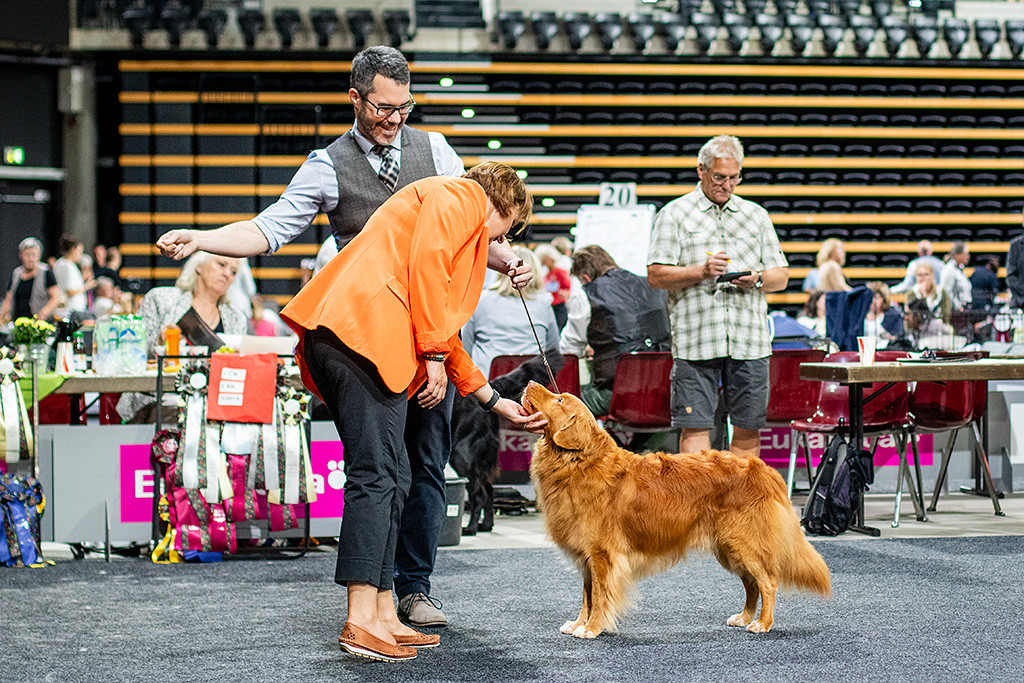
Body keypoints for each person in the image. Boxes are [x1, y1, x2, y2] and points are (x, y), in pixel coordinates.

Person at [154, 46, 533, 630]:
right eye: (383, 107)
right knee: (378, 472)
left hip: (423, 334)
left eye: (405, 107)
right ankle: (371, 607)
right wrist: (204, 238)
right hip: (370, 334)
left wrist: (506, 259)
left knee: (421, 468)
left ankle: (409, 591)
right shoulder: (326, 165)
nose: (395, 119)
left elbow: (470, 231)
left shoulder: (436, 151)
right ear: (355, 99)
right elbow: (268, 229)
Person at [279, 164, 543, 662]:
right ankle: (361, 619)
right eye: (507, 230)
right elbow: (428, 271)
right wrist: (433, 355)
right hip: (360, 337)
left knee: (395, 475)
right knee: (376, 475)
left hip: (359, 340)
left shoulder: (449, 213)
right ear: (504, 206)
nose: (502, 242)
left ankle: (383, 612)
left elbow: (441, 324)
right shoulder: (461, 196)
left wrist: (491, 399)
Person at [647, 134, 789, 459]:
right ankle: (698, 495)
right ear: (701, 170)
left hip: (749, 342)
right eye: (719, 177)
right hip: (696, 342)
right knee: (695, 428)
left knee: (747, 428)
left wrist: (757, 279)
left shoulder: (756, 215)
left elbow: (781, 276)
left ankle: (740, 495)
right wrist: (701, 271)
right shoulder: (674, 214)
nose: (727, 185)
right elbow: (656, 275)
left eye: (734, 178)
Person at [115, 252, 246, 423]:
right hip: (160, 401)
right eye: (221, 265)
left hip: (216, 404)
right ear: (198, 266)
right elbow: (132, 351)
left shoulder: (236, 318)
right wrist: (159, 343)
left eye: (234, 272)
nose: (227, 274)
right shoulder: (161, 299)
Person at [560, 244, 670, 420]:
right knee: (652, 409)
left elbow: (569, 350)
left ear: (586, 278)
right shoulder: (655, 287)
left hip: (618, 396)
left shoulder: (588, 293)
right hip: (663, 393)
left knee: (562, 402)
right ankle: (646, 440)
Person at [462, 245, 559, 378]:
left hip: (487, 382)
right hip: (532, 381)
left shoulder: (481, 300)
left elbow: (465, 348)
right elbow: (553, 349)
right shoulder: (545, 303)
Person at [1, 237, 61, 324]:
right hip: (18, 322)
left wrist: (44, 312)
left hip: (40, 323)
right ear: (21, 255)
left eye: (34, 255)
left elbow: (55, 297)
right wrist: (2, 316)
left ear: (39, 256)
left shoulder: (45, 272)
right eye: (27, 255)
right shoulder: (16, 273)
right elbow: (8, 299)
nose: (30, 259)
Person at [52, 234, 93, 315]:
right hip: (70, 310)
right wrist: (86, 286)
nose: (80, 255)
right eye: (80, 251)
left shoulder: (66, 264)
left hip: (73, 310)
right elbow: (69, 291)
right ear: (73, 250)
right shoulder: (66, 265)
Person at [533, 243, 571, 331]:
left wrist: (564, 293)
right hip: (549, 304)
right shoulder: (546, 273)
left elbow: (568, 288)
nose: (544, 262)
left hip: (559, 305)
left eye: (545, 260)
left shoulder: (560, 272)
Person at [905, 261, 952, 329]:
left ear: (932, 275)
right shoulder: (911, 293)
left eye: (926, 274)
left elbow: (946, 314)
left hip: (939, 327)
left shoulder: (941, 292)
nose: (922, 278)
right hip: (918, 329)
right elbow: (911, 317)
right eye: (919, 275)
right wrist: (923, 296)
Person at [863, 281, 903, 345]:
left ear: (884, 299)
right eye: (871, 297)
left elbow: (898, 338)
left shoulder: (893, 316)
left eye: (877, 298)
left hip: (885, 349)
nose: (873, 301)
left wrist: (889, 336)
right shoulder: (861, 316)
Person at [940, 241, 972, 312]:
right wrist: (958, 307)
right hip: (955, 311)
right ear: (957, 255)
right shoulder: (949, 270)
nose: (968, 257)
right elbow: (946, 292)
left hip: (963, 309)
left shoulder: (960, 269)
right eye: (966, 254)